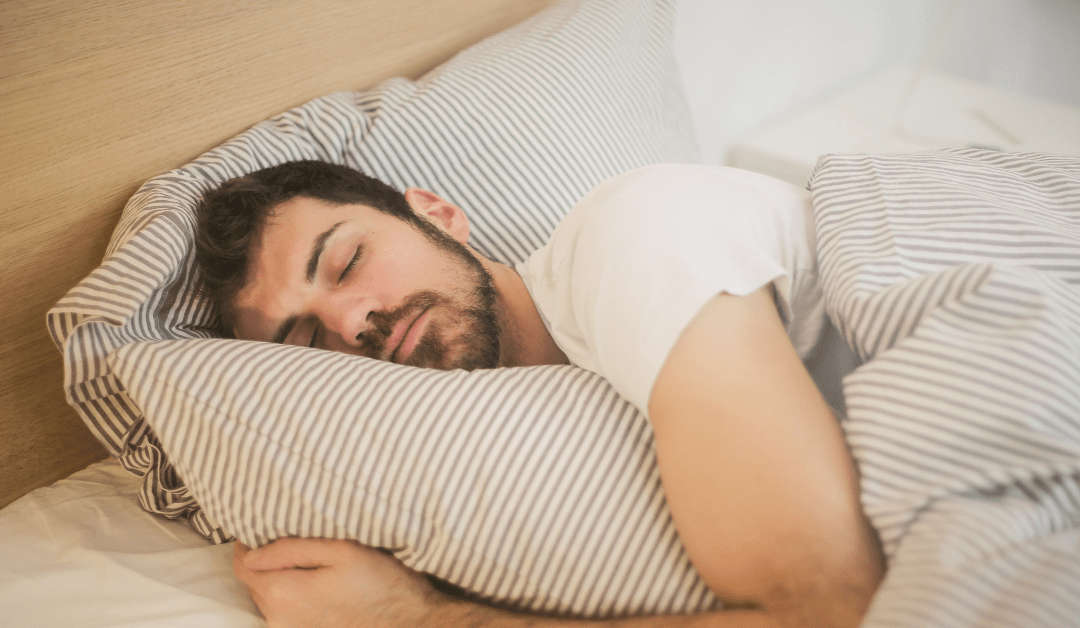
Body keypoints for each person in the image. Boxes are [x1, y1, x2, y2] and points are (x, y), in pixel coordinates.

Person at [195, 160, 884, 628]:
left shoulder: (630, 240)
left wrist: (418, 618)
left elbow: (835, 608)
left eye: (347, 261)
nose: (351, 324)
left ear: (436, 214)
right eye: (309, 341)